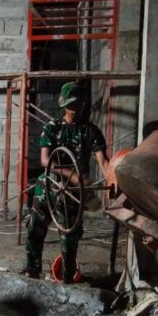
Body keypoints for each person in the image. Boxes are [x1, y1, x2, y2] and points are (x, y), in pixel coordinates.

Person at [23, 82, 110, 283]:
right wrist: (71, 174)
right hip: (47, 187)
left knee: (69, 237)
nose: (74, 109)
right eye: (71, 105)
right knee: (35, 228)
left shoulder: (90, 131)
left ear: (82, 104)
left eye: (77, 105)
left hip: (72, 194)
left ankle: (67, 279)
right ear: (64, 105)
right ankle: (32, 272)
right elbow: (45, 160)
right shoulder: (52, 128)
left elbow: (104, 162)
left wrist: (112, 180)